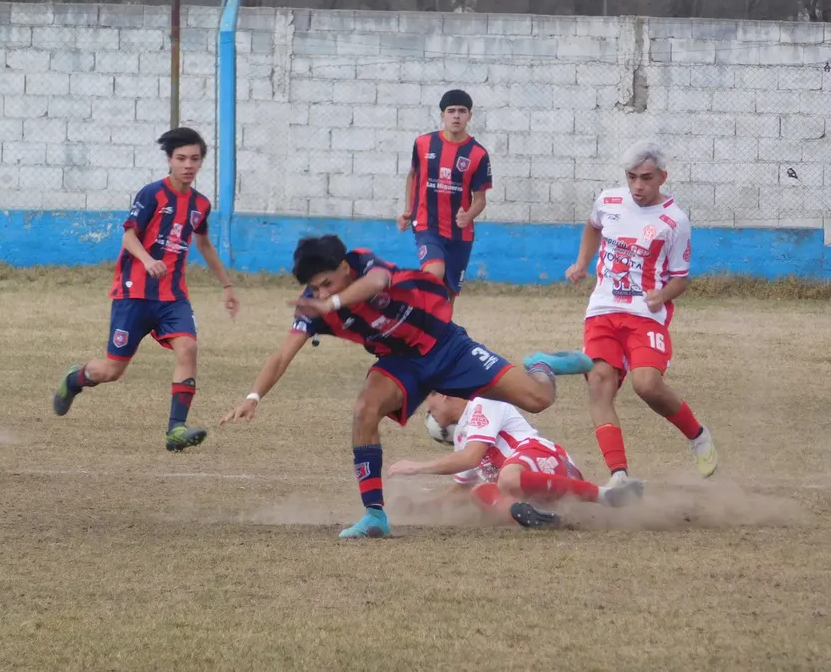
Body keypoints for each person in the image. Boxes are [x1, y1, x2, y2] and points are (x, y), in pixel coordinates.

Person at [220, 234, 593, 539]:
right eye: (314, 288)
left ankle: (542, 364)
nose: (319, 293)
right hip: (403, 364)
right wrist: (253, 397)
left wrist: (332, 302)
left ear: (345, 269)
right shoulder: (313, 306)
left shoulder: (364, 263)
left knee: (538, 398)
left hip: (447, 346)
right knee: (364, 409)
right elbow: (282, 355)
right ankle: (375, 515)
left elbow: (378, 282)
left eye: (327, 283)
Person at [52, 127, 239, 453]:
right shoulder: (152, 194)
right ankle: (75, 378)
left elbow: (204, 243)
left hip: (173, 297)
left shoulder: (201, 204)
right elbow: (128, 236)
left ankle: (175, 430)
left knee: (189, 349)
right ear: (170, 160)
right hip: (133, 294)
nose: (188, 165)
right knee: (112, 370)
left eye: (195, 159)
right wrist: (147, 260)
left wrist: (228, 285)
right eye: (181, 158)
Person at [565, 139, 717, 488]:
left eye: (646, 178)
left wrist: (660, 295)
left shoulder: (674, 221)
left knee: (647, 385)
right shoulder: (609, 200)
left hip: (644, 316)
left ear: (662, 177)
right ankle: (619, 476)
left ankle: (697, 435)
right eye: (632, 177)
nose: (638, 186)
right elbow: (593, 226)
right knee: (599, 386)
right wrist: (581, 263)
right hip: (602, 311)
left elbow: (680, 279)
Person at [388, 393, 644, 529]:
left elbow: (471, 457)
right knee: (479, 490)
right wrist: (420, 506)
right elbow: (460, 490)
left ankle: (605, 495)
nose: (427, 410)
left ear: (443, 394)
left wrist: (417, 467)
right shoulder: (462, 438)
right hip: (535, 488)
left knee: (506, 478)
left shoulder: (482, 403)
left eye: (428, 402)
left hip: (550, 460)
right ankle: (529, 517)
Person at [397, 89, 491, 300]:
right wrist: (408, 210)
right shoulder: (423, 144)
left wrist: (468, 216)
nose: (456, 115)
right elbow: (413, 176)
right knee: (434, 272)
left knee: (447, 297)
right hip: (427, 225)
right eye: (451, 111)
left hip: (460, 233)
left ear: (469, 116)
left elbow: (480, 199)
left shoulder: (478, 154)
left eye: (462, 111)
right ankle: (414, 316)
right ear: (442, 116)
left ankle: (438, 331)